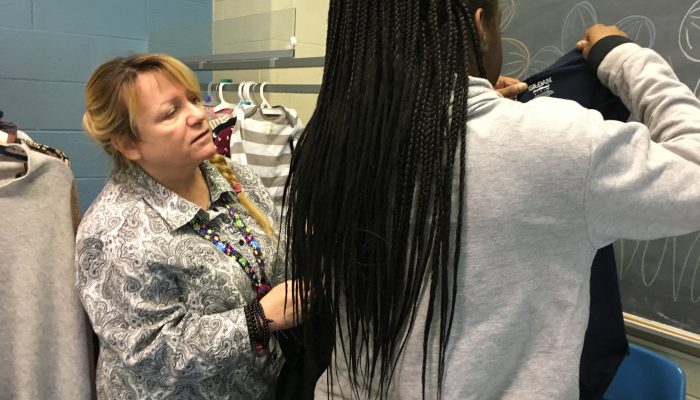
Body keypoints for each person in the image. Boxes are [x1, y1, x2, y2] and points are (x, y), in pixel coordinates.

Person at [282, 0, 700, 399]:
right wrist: (622, 54)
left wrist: (454, 112)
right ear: (480, 27)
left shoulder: (325, 146)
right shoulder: (560, 146)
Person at [76, 53, 298, 399]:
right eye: (170, 113)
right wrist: (258, 319)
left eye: (193, 99)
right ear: (128, 143)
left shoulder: (239, 181)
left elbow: (277, 259)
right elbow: (150, 353)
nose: (198, 115)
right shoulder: (114, 232)